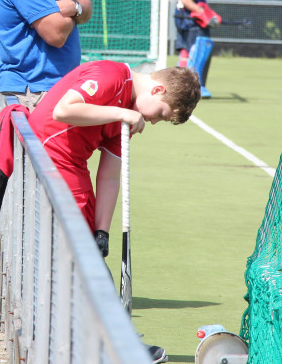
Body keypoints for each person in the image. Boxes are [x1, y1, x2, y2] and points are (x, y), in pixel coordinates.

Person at [28, 60, 201, 364]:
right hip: (50, 159)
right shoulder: (112, 77)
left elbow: (109, 175)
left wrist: (102, 231)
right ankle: (114, 345)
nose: (153, 122)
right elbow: (64, 110)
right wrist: (121, 113)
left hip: (71, 165)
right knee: (80, 262)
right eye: (161, 114)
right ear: (157, 90)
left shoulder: (129, 112)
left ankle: (96, 343)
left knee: (88, 255)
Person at [174, 0, 220, 99]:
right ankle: (195, 86)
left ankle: (182, 86)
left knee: (187, 50)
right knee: (200, 47)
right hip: (190, 19)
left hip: (187, 17)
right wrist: (204, 15)